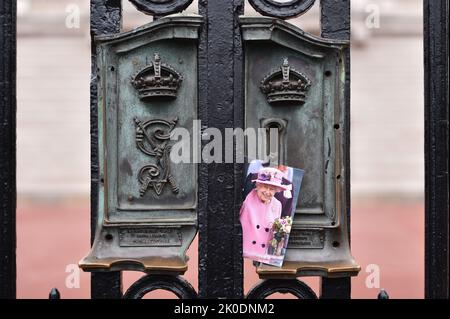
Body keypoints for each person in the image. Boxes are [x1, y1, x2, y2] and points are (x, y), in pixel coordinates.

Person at [239, 167, 290, 263]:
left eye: (271, 189)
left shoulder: (277, 205)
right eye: (265, 187)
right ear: (257, 185)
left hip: (263, 257)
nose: (267, 192)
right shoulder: (247, 196)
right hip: (244, 253)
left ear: (276, 191)